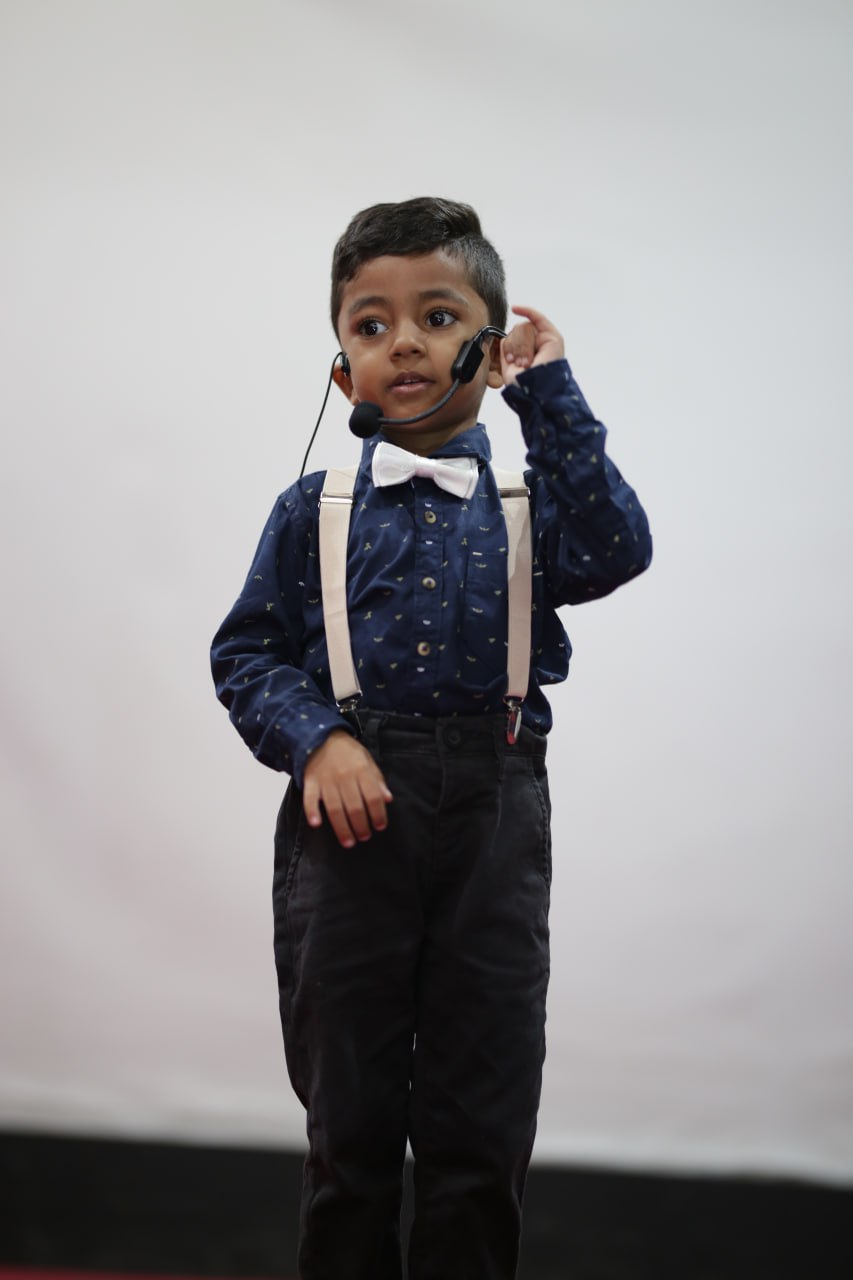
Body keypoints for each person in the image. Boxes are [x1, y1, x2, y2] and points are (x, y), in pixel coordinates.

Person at [211, 196, 652, 1280]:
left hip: (493, 814)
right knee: (350, 1116)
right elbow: (246, 653)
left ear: (490, 351)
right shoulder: (310, 509)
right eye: (371, 324)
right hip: (352, 821)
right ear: (341, 373)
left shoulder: (529, 506)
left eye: (438, 316)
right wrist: (318, 739)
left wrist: (549, 393)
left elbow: (617, 546)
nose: (403, 341)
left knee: (480, 1114)